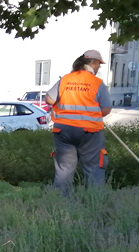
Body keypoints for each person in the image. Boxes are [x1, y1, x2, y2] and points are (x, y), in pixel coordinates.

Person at [45, 50, 112, 192]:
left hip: (63, 130)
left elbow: (49, 99)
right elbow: (106, 109)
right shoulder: (97, 83)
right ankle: (94, 203)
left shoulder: (65, 79)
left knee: (64, 170)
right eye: (99, 64)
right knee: (94, 168)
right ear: (92, 63)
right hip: (90, 132)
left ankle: (61, 204)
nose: (99, 67)